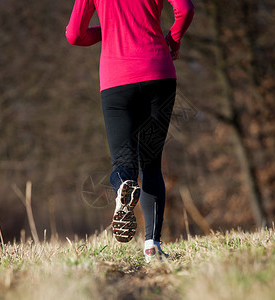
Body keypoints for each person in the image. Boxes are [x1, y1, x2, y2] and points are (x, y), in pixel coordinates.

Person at [66, 0, 194, 263]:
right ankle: (152, 246)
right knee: (151, 163)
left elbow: (74, 35)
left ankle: (124, 184)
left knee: (123, 162)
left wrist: (108, 29)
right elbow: (185, 9)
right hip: (159, 73)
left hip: (117, 80)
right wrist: (173, 40)